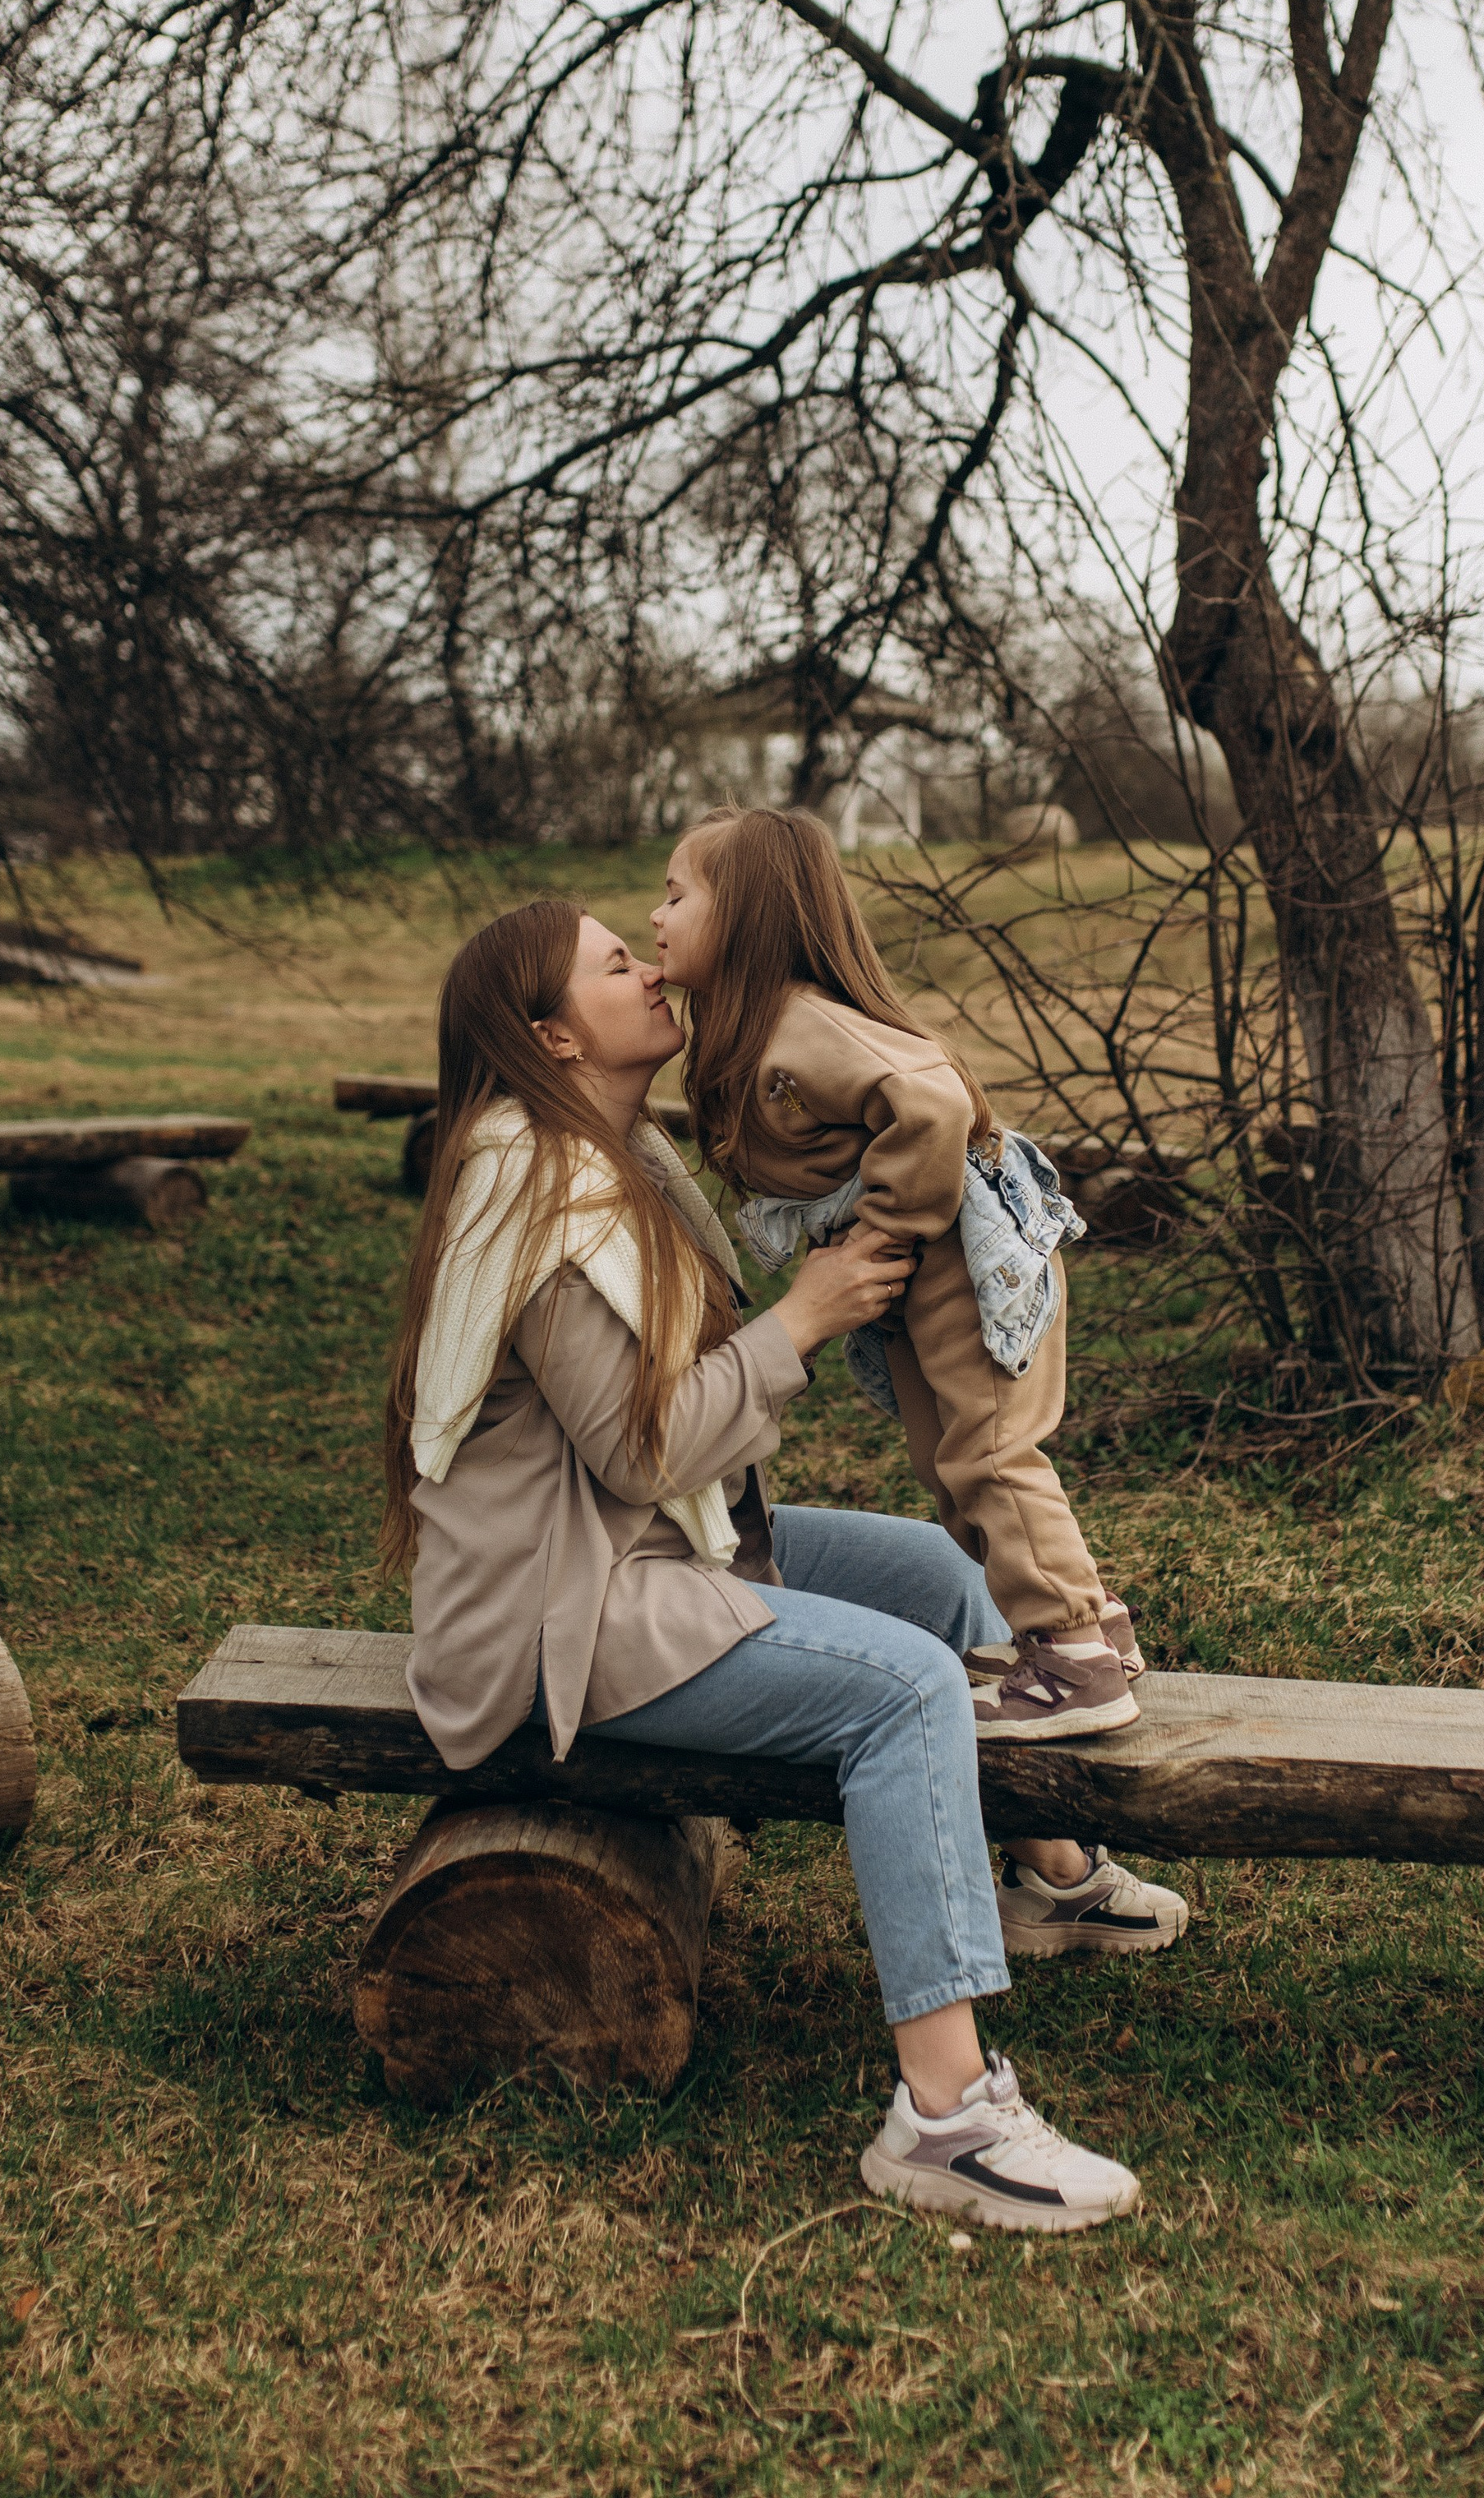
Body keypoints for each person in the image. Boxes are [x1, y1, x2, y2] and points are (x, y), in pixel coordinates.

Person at [384, 896, 1182, 2234]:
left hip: (651, 1546)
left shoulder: (613, 1153)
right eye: (612, 962)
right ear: (549, 1034)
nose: (646, 965)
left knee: (940, 1573)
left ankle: (1050, 1877)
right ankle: (947, 2117)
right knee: (910, 1686)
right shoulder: (540, 1194)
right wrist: (805, 1316)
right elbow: (646, 1446)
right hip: (560, 1611)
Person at [652, 804, 1143, 1744]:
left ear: (747, 917)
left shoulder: (801, 1026)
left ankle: (1075, 1658)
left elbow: (931, 1099)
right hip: (931, 1268)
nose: (654, 915)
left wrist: (885, 1231)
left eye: (676, 894)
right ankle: (1082, 1625)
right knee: (946, 1456)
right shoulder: (753, 1029)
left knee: (989, 1451)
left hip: (966, 1254)